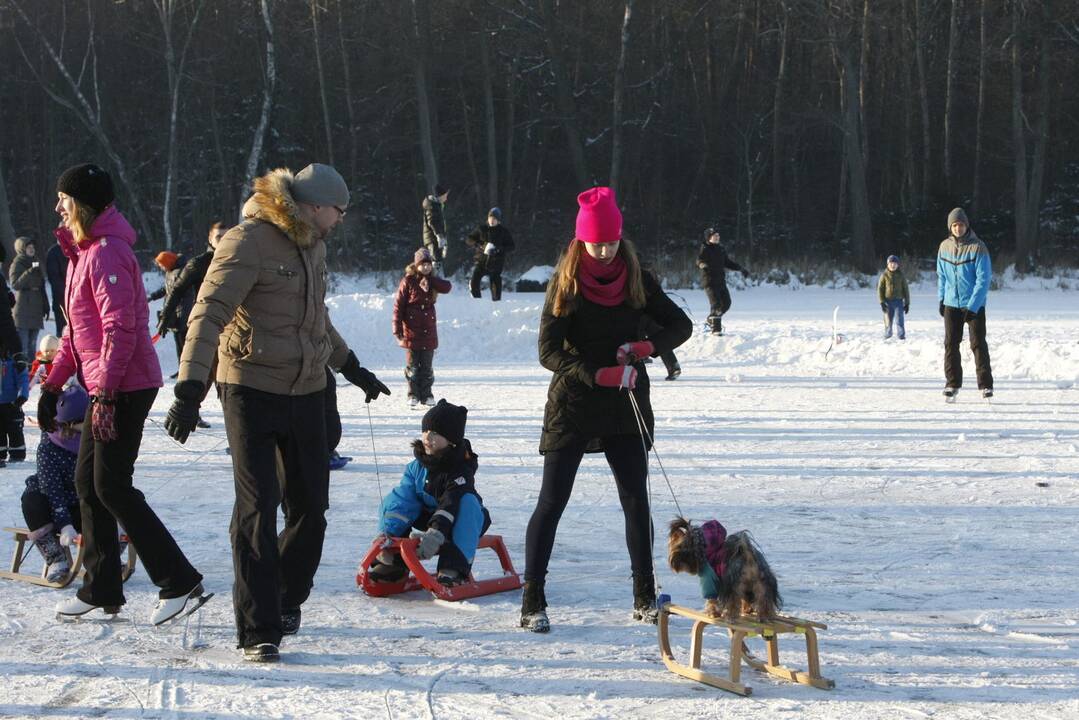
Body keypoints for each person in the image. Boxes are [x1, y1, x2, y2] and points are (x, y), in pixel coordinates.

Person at [163, 163, 390, 663]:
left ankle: (284, 598)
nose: (342, 219)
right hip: (250, 388)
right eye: (339, 209)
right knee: (257, 507)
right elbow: (208, 311)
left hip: (307, 390)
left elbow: (315, 320)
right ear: (312, 206)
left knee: (311, 510)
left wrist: (352, 368)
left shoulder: (314, 244)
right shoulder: (248, 241)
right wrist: (189, 388)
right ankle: (258, 627)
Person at [39, 162, 207, 625]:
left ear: (85, 204)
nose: (58, 206)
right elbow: (77, 335)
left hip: (125, 385)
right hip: (104, 383)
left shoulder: (108, 252)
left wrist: (107, 393)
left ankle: (178, 580)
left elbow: (121, 329)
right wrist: (53, 385)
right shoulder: (84, 253)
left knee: (110, 485)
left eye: (65, 199)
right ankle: (102, 587)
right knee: (87, 484)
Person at [521, 187, 693, 633]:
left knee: (636, 501)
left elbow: (682, 325)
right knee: (552, 501)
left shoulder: (637, 277)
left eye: (611, 242)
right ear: (581, 241)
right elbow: (547, 351)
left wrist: (646, 346)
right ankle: (532, 600)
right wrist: (596, 374)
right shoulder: (566, 282)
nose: (604, 250)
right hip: (574, 402)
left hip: (627, 403)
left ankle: (644, 596)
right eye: (595, 243)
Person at [368, 400, 491, 587]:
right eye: (425, 431)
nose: (427, 437)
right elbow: (403, 500)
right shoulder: (415, 467)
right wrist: (387, 532)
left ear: (451, 440)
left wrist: (436, 533)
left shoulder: (460, 471)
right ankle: (393, 561)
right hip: (429, 517)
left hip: (461, 519)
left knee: (467, 502)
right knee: (399, 496)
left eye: (435, 433)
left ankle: (454, 567)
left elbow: (450, 503)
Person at [21, 385, 88, 583]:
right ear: (71, 422)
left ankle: (105, 554)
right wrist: (65, 524)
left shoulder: (93, 440)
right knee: (31, 500)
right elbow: (52, 490)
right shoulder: (49, 447)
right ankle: (55, 557)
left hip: (80, 501)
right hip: (52, 501)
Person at [937, 207, 994, 399]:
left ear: (966, 226)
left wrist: (974, 306)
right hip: (951, 304)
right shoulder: (944, 246)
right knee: (950, 344)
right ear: (950, 227)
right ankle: (952, 384)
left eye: (961, 224)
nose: (958, 228)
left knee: (978, 344)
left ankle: (985, 385)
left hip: (974, 305)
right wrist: (941, 299)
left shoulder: (978, 247)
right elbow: (941, 276)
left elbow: (983, 279)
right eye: (954, 225)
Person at [393, 247, 452, 408]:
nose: (426, 267)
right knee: (413, 367)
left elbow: (447, 287)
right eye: (423, 264)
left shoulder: (432, 281)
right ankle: (413, 394)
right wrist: (397, 330)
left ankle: (427, 394)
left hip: (429, 333)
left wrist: (432, 280)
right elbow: (398, 306)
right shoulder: (409, 281)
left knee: (426, 367)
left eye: (429, 264)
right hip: (411, 333)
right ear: (416, 264)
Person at [697, 227, 749, 336]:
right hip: (710, 281)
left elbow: (727, 262)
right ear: (709, 238)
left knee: (726, 303)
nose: (717, 237)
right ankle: (716, 330)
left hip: (720, 281)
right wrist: (703, 265)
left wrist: (741, 268)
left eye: (718, 235)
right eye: (715, 236)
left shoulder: (720, 248)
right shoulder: (705, 248)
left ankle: (711, 320)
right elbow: (699, 260)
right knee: (716, 305)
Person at [148, 250, 189, 373]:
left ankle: (186, 371)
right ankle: (181, 369)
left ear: (168, 262)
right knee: (178, 344)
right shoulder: (170, 272)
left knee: (184, 344)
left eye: (161, 264)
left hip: (183, 313)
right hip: (174, 314)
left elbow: (177, 292)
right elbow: (166, 289)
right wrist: (152, 296)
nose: (161, 267)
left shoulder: (182, 272)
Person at [9, 237, 50, 357]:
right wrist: (28, 272)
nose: (32, 250)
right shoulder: (17, 264)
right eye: (29, 247)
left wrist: (46, 307)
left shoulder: (36, 262)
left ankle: (31, 371)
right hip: (23, 309)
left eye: (33, 247)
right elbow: (15, 285)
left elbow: (42, 287)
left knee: (33, 344)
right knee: (24, 345)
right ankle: (22, 372)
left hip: (36, 308)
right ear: (22, 249)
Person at [466, 207, 515, 301]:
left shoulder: (503, 232)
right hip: (481, 260)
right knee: (474, 280)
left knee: (495, 282)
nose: (492, 221)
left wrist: (499, 249)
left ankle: (496, 303)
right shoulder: (481, 229)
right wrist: (480, 244)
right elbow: (469, 239)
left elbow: (512, 246)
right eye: (490, 218)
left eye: (494, 219)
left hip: (496, 262)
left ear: (499, 221)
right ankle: (477, 301)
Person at [0, 343, 29, 462]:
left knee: (15, 429)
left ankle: (17, 452)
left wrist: (22, 396)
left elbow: (23, 380)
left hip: (12, 404)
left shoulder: (14, 364)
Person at [877, 255, 910, 340]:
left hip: (898, 301)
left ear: (898, 265)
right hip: (887, 302)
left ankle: (901, 335)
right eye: (891, 263)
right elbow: (880, 289)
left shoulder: (901, 275)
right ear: (888, 264)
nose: (893, 265)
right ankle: (888, 335)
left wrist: (907, 303)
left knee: (900, 320)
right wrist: (882, 302)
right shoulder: (884, 275)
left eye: (895, 263)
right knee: (888, 320)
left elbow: (906, 289)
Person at [421, 184, 449, 271]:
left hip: (435, 238)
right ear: (440, 195)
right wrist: (439, 235)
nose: (446, 198)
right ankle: (432, 280)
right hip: (432, 239)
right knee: (435, 261)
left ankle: (435, 280)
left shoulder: (437, 205)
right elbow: (432, 221)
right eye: (445, 196)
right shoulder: (432, 206)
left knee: (438, 260)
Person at [45, 237, 69, 337]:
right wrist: (68, 291)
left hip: (76, 299)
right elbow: (54, 278)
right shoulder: (53, 253)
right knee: (63, 332)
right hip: (61, 300)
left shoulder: (73, 249)